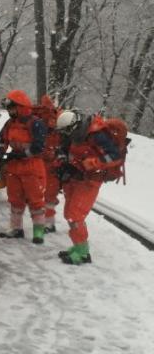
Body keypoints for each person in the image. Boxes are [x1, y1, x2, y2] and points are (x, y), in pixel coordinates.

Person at [54, 110, 121, 265]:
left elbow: (114, 156)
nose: (65, 135)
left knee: (75, 215)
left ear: (73, 126)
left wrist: (88, 164)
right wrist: (64, 165)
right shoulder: (72, 135)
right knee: (68, 213)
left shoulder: (96, 135)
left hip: (90, 180)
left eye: (66, 132)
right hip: (76, 178)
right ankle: (78, 246)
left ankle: (83, 253)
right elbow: (64, 151)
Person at [0, 89, 48, 244]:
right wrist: (0, 151)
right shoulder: (10, 123)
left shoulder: (35, 123)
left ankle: (38, 231)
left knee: (36, 200)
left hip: (31, 167)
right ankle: (16, 228)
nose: (9, 111)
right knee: (15, 199)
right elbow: (3, 139)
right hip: (14, 167)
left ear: (19, 107)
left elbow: (39, 147)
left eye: (11, 107)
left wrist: (21, 154)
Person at [33, 94, 63, 233]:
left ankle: (47, 223)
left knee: (43, 193)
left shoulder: (37, 117)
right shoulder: (57, 119)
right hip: (52, 162)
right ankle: (48, 222)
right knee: (49, 194)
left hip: (43, 161)